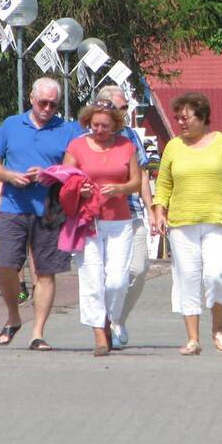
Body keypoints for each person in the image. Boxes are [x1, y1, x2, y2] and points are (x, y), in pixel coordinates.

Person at [153, 92, 222, 355]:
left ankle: (218, 329)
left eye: (185, 118)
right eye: (178, 118)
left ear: (202, 117)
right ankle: (192, 339)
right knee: (187, 277)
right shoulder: (174, 147)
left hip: (218, 222)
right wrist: (159, 212)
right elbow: (163, 184)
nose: (181, 123)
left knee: (216, 273)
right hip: (181, 223)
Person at [0, 77, 81, 350]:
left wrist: (48, 174)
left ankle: (37, 332)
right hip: (13, 207)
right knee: (5, 265)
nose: (48, 108)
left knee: (46, 272)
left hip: (50, 209)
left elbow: (74, 169)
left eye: (53, 104)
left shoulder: (68, 130)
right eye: (43, 102)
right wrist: (9, 175)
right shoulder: (11, 125)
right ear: (31, 98)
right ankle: (14, 317)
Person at [63, 100, 141, 356]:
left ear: (116, 125)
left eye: (105, 126)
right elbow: (63, 178)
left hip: (119, 221)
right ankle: (99, 333)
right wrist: (79, 188)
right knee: (92, 279)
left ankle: (110, 319)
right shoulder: (77, 146)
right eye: (95, 124)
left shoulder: (126, 145)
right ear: (87, 122)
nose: (99, 130)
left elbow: (136, 182)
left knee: (117, 280)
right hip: (89, 220)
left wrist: (121, 189)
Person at [93, 85, 156, 349]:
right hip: (100, 214)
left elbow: (141, 174)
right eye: (119, 109)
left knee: (139, 269)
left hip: (132, 212)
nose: (124, 114)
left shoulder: (130, 136)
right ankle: (104, 325)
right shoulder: (90, 137)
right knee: (107, 275)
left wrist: (151, 209)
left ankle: (118, 318)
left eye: (125, 109)